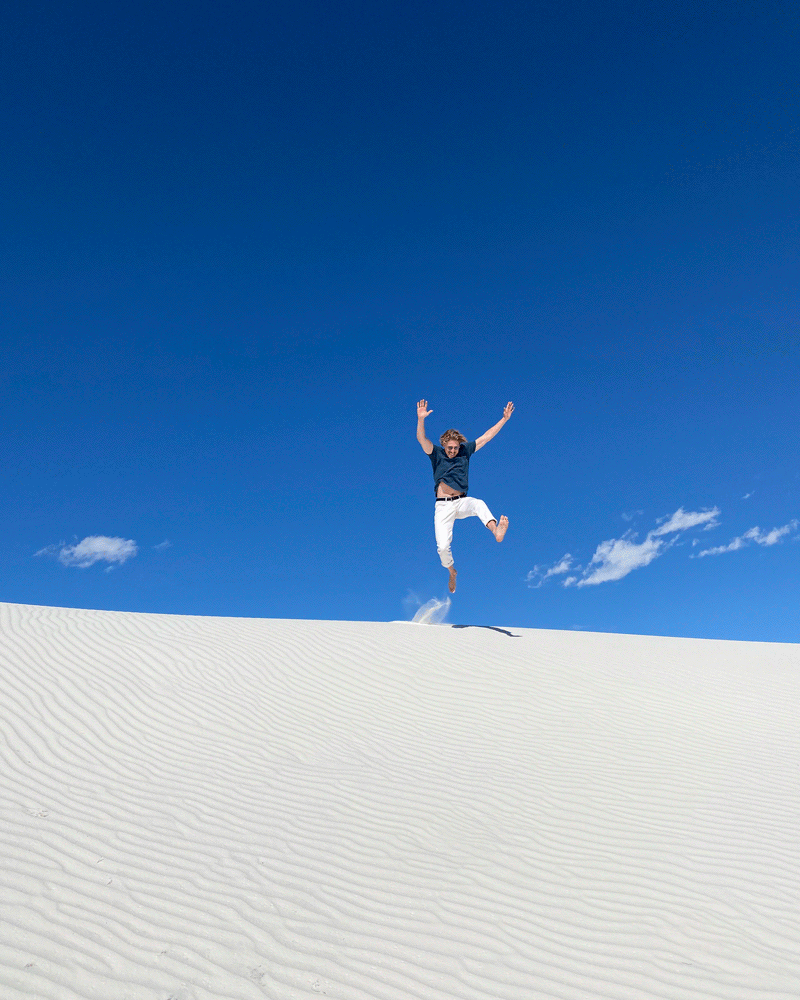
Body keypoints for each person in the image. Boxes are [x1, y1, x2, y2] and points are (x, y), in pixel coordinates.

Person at [416, 399, 514, 593]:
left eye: (455, 448)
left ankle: (496, 531)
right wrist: (421, 420)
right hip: (443, 506)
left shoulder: (464, 452)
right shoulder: (436, 454)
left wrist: (504, 419)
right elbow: (422, 439)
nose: (452, 451)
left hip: (461, 502)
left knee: (478, 504)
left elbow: (486, 437)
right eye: (449, 448)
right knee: (443, 548)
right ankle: (452, 572)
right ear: (444, 444)